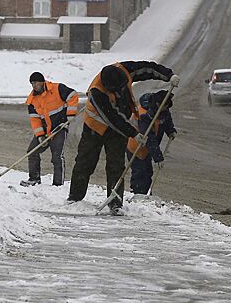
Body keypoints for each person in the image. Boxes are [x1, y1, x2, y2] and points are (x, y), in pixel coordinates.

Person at [68, 61, 180, 213]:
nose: (121, 91)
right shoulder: (97, 92)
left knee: (116, 166)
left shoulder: (125, 70)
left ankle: (115, 203)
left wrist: (169, 75)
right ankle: (75, 198)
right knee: (85, 162)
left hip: (119, 130)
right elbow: (113, 118)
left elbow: (148, 68)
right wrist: (134, 133)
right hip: (94, 127)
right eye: (116, 90)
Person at [20, 72, 79, 187]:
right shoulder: (32, 101)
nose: (34, 85)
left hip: (59, 128)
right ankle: (34, 179)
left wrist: (70, 114)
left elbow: (73, 95)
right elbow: (35, 121)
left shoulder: (57, 88)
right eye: (32, 83)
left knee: (56, 156)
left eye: (36, 82)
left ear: (42, 81)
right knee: (32, 152)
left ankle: (58, 184)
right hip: (45, 130)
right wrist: (40, 136)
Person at [126, 90, 177, 195]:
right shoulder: (144, 114)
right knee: (139, 172)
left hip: (148, 149)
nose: (166, 109)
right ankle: (137, 193)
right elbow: (149, 138)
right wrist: (158, 158)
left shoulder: (163, 109)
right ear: (158, 104)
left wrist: (171, 131)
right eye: (165, 107)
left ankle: (145, 193)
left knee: (147, 171)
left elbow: (166, 120)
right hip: (136, 146)